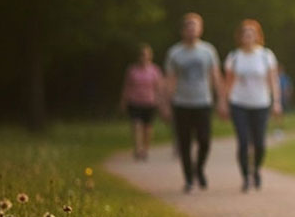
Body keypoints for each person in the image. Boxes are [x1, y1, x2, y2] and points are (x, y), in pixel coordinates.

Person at [164, 13, 227, 193]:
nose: (192, 29)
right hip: (181, 103)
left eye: (195, 26)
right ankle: (189, 178)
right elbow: (170, 79)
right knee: (184, 143)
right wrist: (166, 104)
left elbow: (216, 76)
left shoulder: (208, 51)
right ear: (183, 30)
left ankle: (199, 168)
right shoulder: (175, 53)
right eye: (188, 26)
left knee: (204, 141)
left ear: (200, 29)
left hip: (203, 102)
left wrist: (221, 100)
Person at [224, 19, 282, 192]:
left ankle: (255, 169)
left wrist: (276, 102)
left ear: (257, 35)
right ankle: (245, 177)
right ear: (240, 37)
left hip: (261, 103)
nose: (248, 36)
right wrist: (224, 102)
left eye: (252, 32)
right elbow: (228, 82)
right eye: (245, 33)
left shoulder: (266, 55)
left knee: (259, 144)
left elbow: (273, 80)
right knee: (243, 141)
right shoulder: (234, 57)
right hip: (238, 103)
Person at [119, 43, 164, 161]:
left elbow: (159, 88)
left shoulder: (155, 70)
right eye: (141, 55)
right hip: (135, 102)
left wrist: (161, 102)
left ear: (150, 56)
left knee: (147, 128)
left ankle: (145, 149)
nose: (143, 57)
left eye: (145, 55)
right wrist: (123, 101)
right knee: (136, 125)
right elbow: (127, 86)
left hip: (150, 102)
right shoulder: (132, 70)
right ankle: (137, 149)